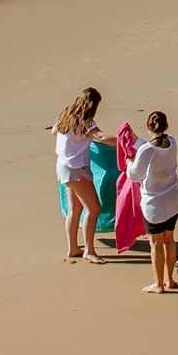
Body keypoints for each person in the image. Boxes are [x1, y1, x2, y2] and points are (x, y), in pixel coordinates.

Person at [128, 110, 178, 293]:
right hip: (172, 199)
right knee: (170, 240)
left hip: (154, 204)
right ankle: (170, 279)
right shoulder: (172, 142)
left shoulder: (146, 150)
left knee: (156, 243)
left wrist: (129, 161)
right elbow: (154, 147)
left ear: (147, 127)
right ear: (166, 126)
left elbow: (134, 175)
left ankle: (158, 284)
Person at [54, 89, 108, 262]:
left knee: (75, 209)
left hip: (63, 166)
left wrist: (73, 141)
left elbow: (54, 131)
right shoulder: (85, 121)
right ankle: (89, 250)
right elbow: (100, 136)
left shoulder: (66, 114)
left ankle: (73, 248)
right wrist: (124, 141)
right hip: (76, 168)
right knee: (94, 209)